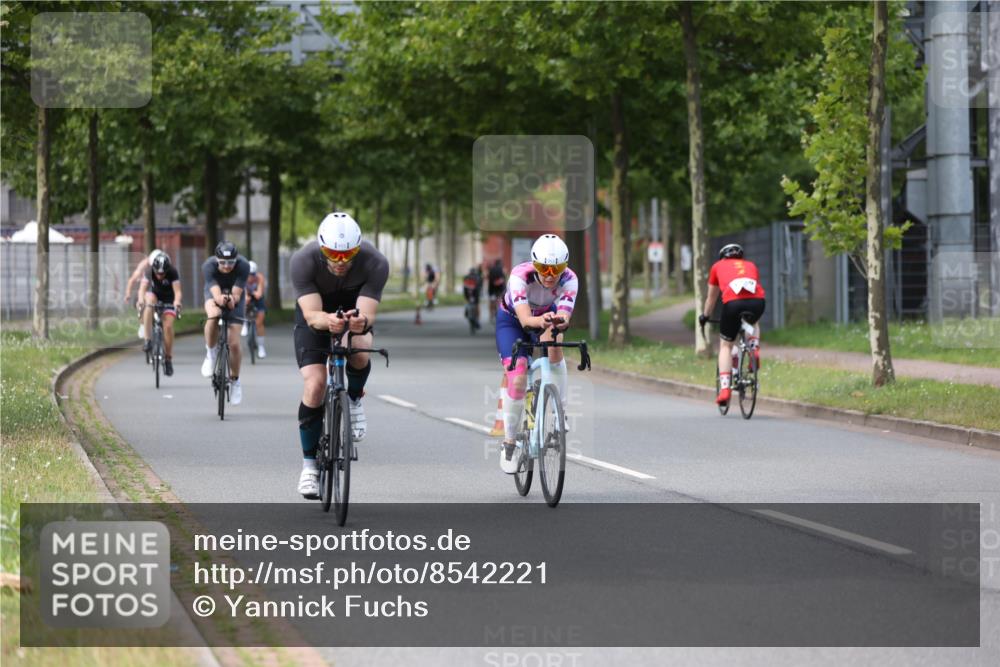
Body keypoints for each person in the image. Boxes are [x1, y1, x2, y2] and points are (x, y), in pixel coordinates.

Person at [291, 212, 389, 499]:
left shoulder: (375, 262)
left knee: (360, 348)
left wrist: (359, 322)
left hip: (353, 311)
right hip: (315, 314)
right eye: (334, 254)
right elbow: (311, 315)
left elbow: (367, 314)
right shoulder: (303, 260)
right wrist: (328, 321)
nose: (341, 261)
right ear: (322, 248)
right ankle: (309, 466)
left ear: (358, 249)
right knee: (315, 385)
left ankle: (355, 399)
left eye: (349, 254)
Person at [494, 234, 578, 474]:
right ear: (534, 264)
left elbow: (564, 315)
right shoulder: (520, 276)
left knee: (555, 344)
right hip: (512, 321)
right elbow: (525, 319)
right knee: (518, 375)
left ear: (565, 267)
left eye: (557, 269)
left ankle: (561, 414)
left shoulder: (570, 279)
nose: (550, 276)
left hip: (544, 316)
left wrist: (559, 322)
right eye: (543, 268)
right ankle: (510, 442)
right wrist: (541, 320)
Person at [699, 243, 766, 406]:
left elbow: (711, 298)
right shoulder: (751, 265)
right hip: (757, 303)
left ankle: (724, 390)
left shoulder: (717, 266)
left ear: (723, 256)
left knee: (726, 346)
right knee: (753, 321)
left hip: (733, 305)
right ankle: (754, 347)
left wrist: (705, 316)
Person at [200, 241, 251, 406]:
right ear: (216, 260)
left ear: (236, 260)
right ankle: (211, 352)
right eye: (223, 262)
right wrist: (220, 299)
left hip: (235, 296)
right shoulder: (208, 266)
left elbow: (236, 295)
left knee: (234, 343)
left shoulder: (243, 265)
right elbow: (214, 292)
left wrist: (231, 300)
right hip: (214, 292)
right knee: (213, 315)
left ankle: (235, 380)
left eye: (231, 262)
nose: (227, 266)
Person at [137, 253, 182, 376]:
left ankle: (168, 359)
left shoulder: (173, 272)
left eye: (162, 273)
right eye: (157, 273)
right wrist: (140, 300)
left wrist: (177, 302)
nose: (159, 275)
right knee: (148, 304)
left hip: (169, 299)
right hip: (154, 295)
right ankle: (147, 340)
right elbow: (142, 289)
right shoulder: (149, 271)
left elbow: (177, 292)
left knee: (167, 326)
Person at [125, 249, 165, 337]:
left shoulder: (163, 264)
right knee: (141, 304)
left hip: (156, 289)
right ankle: (143, 324)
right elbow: (132, 280)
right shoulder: (143, 266)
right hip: (143, 289)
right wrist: (128, 293)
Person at [243, 260, 267, 358]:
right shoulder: (242, 278)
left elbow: (259, 293)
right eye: (248, 274)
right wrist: (245, 297)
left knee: (259, 323)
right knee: (243, 304)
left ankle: (261, 348)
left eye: (252, 274)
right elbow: (242, 292)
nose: (250, 277)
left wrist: (255, 293)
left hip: (258, 299)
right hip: (247, 297)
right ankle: (244, 323)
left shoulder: (260, 277)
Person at [462, 266, 483, 331]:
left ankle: (473, 319)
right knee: (476, 306)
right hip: (475, 295)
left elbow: (464, 288)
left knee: (468, 308)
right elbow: (479, 288)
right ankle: (477, 320)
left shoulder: (466, 278)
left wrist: (465, 296)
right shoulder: (477, 277)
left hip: (468, 295)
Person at [487, 258, 506, 322]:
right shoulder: (502, 269)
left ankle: (491, 315)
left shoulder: (491, 269)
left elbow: (488, 278)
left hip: (492, 289)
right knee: (499, 301)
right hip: (500, 289)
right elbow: (503, 279)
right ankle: (499, 314)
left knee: (492, 302)